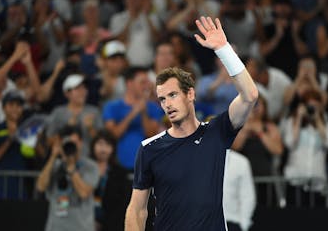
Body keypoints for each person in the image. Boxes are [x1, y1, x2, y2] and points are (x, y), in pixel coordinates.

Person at [125, 16, 258, 230]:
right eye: (162, 99)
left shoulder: (217, 132)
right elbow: (137, 209)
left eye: (173, 95)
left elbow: (250, 95)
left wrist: (224, 50)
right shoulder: (149, 149)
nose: (167, 104)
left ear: (190, 94)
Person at [36, 125, 99, 231]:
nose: (71, 146)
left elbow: (83, 193)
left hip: (81, 227)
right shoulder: (55, 165)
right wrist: (52, 157)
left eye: (74, 142)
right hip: (55, 227)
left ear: (80, 143)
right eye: (67, 143)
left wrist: (71, 168)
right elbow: (40, 186)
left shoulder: (90, 166)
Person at [102, 67, 163, 170]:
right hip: (119, 167)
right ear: (129, 84)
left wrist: (143, 112)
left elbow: (151, 134)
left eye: (148, 82)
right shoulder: (112, 107)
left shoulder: (153, 108)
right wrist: (133, 113)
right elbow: (114, 135)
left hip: (147, 166)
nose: (147, 86)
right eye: (142, 82)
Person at [90, 130, 133, 231]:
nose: (103, 149)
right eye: (100, 144)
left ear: (113, 149)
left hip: (111, 222)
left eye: (107, 145)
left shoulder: (120, 173)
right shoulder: (84, 168)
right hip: (85, 218)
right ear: (93, 146)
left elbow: (121, 204)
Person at [0, 90, 26, 199]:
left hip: (21, 186)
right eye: (11, 105)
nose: (15, 109)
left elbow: (39, 156)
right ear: (4, 108)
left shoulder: (26, 129)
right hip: (0, 185)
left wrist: (35, 139)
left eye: (19, 105)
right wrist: (10, 138)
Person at [223, 150, 256, 231]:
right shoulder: (196, 159)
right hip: (202, 222)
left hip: (232, 221)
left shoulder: (241, 162)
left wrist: (243, 225)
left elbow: (248, 196)